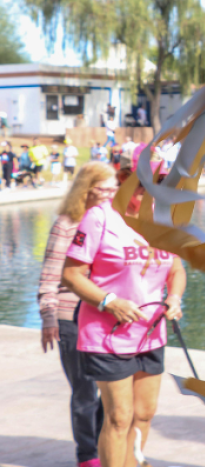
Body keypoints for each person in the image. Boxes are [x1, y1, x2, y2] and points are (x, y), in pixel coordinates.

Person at [62, 157, 185, 467]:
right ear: (125, 179)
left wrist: (175, 298)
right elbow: (72, 275)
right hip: (107, 337)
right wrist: (110, 302)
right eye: (144, 186)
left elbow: (177, 270)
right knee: (119, 416)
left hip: (151, 334)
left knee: (144, 414)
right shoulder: (99, 218)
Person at [39, 162, 115, 467]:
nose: (110, 194)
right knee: (84, 390)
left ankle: (105, 444)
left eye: (114, 189)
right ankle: (88, 455)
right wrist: (48, 316)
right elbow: (49, 274)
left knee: (110, 389)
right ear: (87, 188)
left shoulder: (113, 221)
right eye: (104, 188)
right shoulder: (67, 223)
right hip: (72, 316)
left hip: (104, 316)